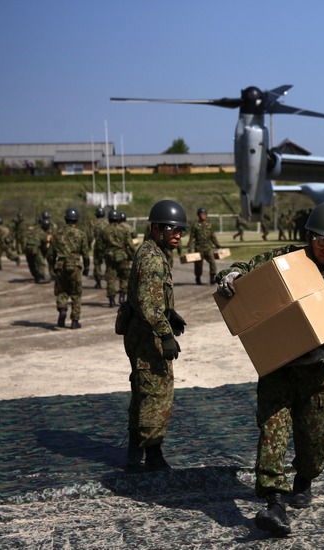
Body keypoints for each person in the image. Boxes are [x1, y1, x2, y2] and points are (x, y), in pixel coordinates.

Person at [216, 202, 324, 537]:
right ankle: (273, 501)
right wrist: (230, 276)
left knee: (314, 439)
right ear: (309, 236)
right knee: (273, 430)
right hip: (278, 371)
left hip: (316, 378)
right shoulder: (283, 261)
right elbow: (244, 269)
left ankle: (304, 479)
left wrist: (320, 353)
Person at [122, 199, 188, 472]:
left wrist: (170, 313)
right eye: (173, 229)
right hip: (148, 336)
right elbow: (148, 305)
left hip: (143, 331)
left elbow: (150, 299)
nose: (178, 235)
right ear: (157, 229)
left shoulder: (155, 252)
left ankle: (135, 453)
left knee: (143, 391)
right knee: (155, 392)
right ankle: (153, 455)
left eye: (181, 231)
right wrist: (165, 334)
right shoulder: (152, 258)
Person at [47, 208, 89, 329]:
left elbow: (50, 254)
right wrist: (86, 267)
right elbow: (86, 254)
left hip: (60, 266)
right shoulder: (81, 234)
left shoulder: (56, 235)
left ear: (65, 219)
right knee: (76, 293)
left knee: (61, 291)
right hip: (75, 266)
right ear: (76, 220)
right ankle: (75, 321)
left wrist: (52, 267)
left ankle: (62, 310)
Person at [103, 209, 135, 307]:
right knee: (124, 277)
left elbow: (100, 245)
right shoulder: (124, 230)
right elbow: (130, 244)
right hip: (123, 256)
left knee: (110, 279)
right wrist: (133, 255)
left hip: (110, 257)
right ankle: (122, 296)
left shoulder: (105, 230)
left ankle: (111, 300)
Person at [187, 207, 221, 285]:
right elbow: (191, 237)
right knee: (198, 265)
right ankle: (198, 277)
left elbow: (213, 237)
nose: (203, 216)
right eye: (202, 214)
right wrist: (189, 247)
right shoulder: (195, 226)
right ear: (198, 215)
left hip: (208, 248)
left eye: (204, 214)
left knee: (212, 262)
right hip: (198, 248)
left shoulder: (209, 225)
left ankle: (212, 277)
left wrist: (217, 245)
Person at [89, 206, 109, 289]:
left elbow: (90, 236)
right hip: (107, 247)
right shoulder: (108, 222)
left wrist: (89, 245)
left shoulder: (93, 223)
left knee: (97, 265)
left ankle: (98, 283)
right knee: (109, 265)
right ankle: (109, 283)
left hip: (98, 247)